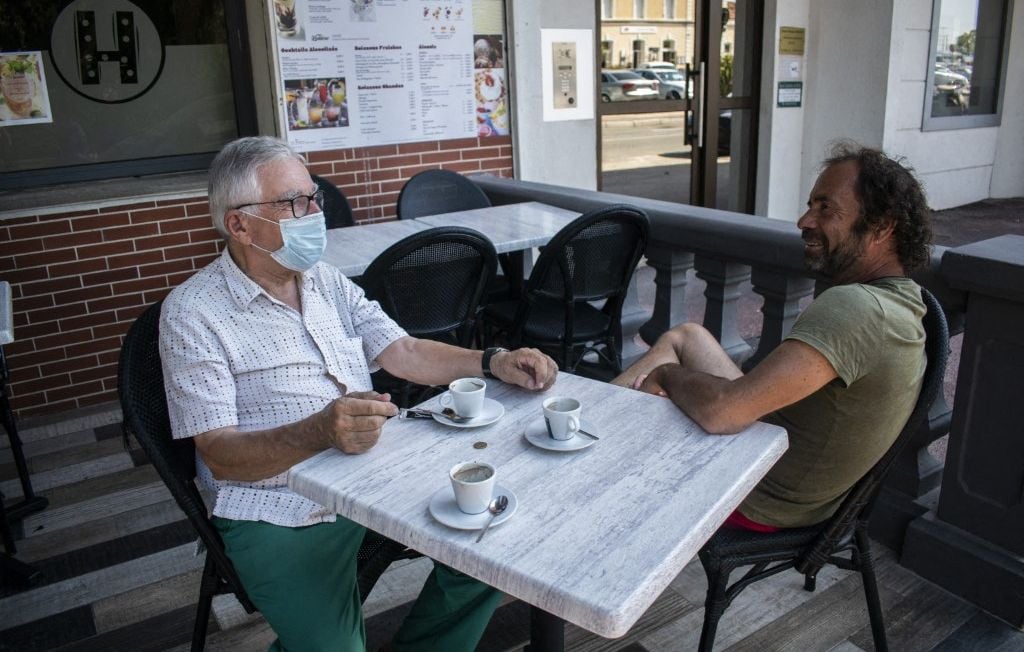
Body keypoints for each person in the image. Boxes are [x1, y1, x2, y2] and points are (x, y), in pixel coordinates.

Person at [159, 136, 558, 651]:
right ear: (238, 224)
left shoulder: (323, 280)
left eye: (313, 198)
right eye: (292, 203)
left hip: (373, 475)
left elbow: (403, 350)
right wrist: (317, 431)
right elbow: (221, 456)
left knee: (491, 549)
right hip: (278, 507)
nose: (312, 214)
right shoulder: (192, 314)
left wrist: (493, 360)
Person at [614, 142, 932, 531]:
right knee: (686, 335)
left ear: (882, 226)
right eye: (810, 206)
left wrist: (666, 376)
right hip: (796, 477)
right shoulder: (904, 299)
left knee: (642, 426)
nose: (804, 221)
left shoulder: (856, 309)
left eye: (825, 208)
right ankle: (598, 420)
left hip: (757, 497)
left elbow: (722, 412)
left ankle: (595, 456)